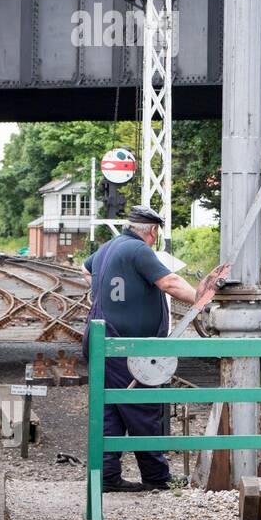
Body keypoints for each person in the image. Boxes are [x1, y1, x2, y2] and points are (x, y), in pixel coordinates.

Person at [83, 205, 220, 492]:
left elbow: (85, 268)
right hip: (126, 346)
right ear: (153, 232)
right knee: (142, 407)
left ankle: (107, 477)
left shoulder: (109, 246)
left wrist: (100, 294)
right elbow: (169, 283)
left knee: (113, 409)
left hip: (102, 341)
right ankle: (157, 477)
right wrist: (201, 297)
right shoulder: (138, 250)